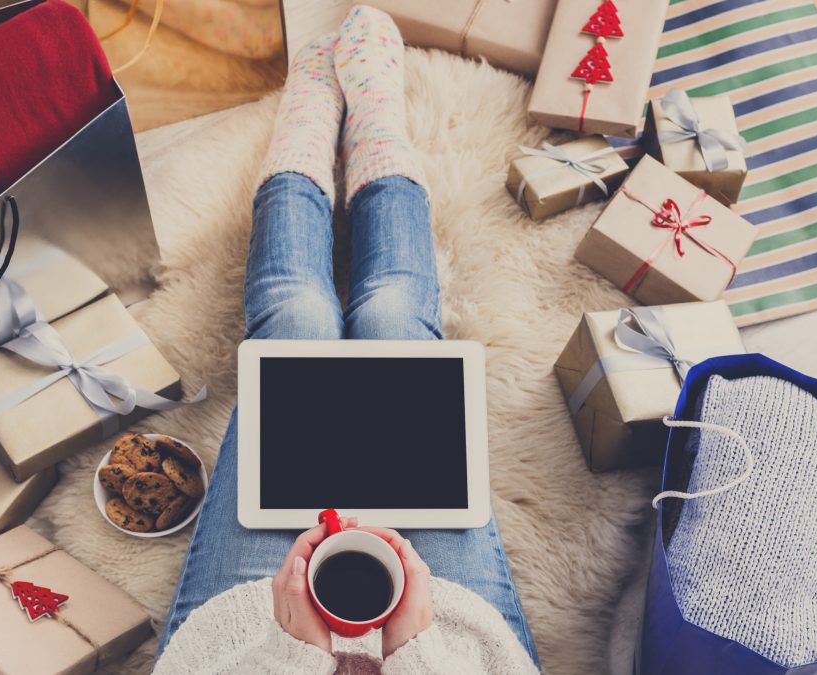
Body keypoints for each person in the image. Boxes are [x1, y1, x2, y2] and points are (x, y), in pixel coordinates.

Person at [153, 6, 539, 673]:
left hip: (244, 650)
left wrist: (289, 653)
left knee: (293, 322)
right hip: (455, 645)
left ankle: (303, 136)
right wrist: (419, 651)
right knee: (397, 324)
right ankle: (376, 131)